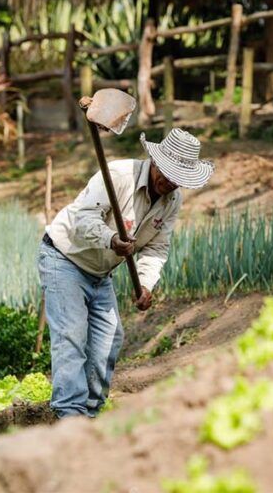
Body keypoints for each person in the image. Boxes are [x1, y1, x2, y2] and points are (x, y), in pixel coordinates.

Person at [38, 128, 214, 418]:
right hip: (65, 258)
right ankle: (69, 416)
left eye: (178, 180)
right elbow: (83, 218)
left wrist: (145, 284)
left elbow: (157, 247)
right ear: (155, 162)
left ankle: (90, 413)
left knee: (109, 338)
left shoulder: (172, 200)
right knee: (71, 335)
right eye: (167, 174)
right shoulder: (119, 176)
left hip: (100, 272)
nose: (170, 183)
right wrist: (110, 239)